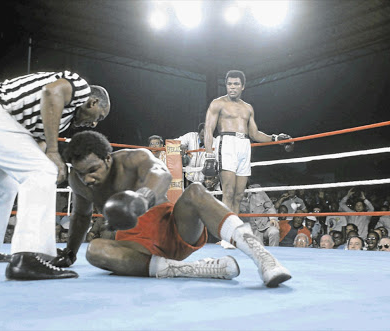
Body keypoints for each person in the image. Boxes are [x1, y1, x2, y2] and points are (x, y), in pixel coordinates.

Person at [53, 131, 291, 287]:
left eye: (92, 169)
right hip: (136, 248)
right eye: (81, 173)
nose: (87, 179)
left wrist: (143, 198)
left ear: (107, 158)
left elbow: (161, 173)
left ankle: (264, 259)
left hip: (172, 227)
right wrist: (70, 253)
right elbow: (82, 216)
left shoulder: (134, 159)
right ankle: (192, 270)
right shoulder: (78, 180)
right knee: (94, 250)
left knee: (196, 190)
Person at [0, 71, 110, 280]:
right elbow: (51, 92)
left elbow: (33, 145)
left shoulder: (61, 121)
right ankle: (29, 256)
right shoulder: (80, 87)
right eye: (100, 117)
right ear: (93, 102)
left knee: (2, 185)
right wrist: (52, 152)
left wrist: (50, 159)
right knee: (42, 171)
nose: (95, 124)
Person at [203, 70, 293, 214]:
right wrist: (209, 155)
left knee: (239, 196)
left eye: (236, 84)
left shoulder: (248, 108)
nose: (232, 87)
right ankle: (227, 235)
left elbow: (255, 134)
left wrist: (275, 138)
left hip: (244, 145)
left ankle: (234, 233)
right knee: (228, 192)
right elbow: (208, 129)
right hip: (226, 143)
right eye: (229, 84)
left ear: (242, 86)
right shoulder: (218, 103)